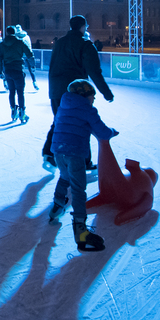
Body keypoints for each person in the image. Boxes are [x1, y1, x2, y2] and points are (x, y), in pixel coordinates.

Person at [48, 80, 118, 252]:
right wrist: (112, 132)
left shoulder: (63, 106)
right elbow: (101, 130)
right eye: (92, 96)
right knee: (79, 189)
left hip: (58, 150)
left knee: (64, 177)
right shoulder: (87, 109)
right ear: (85, 96)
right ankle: (80, 230)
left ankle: (57, 206)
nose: (93, 100)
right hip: (74, 152)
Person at [44, 15, 114, 172]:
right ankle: (84, 161)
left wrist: (53, 90)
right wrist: (106, 92)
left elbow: (52, 66)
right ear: (84, 27)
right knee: (83, 124)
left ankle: (49, 153)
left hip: (56, 90)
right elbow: (94, 71)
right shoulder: (85, 44)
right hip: (77, 91)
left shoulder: (60, 43)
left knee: (59, 121)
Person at [0, 26, 35, 123]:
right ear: (15, 32)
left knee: (12, 92)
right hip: (18, 69)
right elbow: (29, 54)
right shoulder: (20, 42)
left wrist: (0, 70)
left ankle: (13, 110)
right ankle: (22, 112)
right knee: (20, 92)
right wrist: (33, 65)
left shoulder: (2, 44)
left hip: (8, 70)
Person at [15, 24, 39, 90]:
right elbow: (30, 46)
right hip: (28, 55)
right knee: (31, 70)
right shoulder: (27, 36)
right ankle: (35, 82)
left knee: (21, 70)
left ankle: (22, 84)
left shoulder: (17, 38)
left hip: (21, 56)